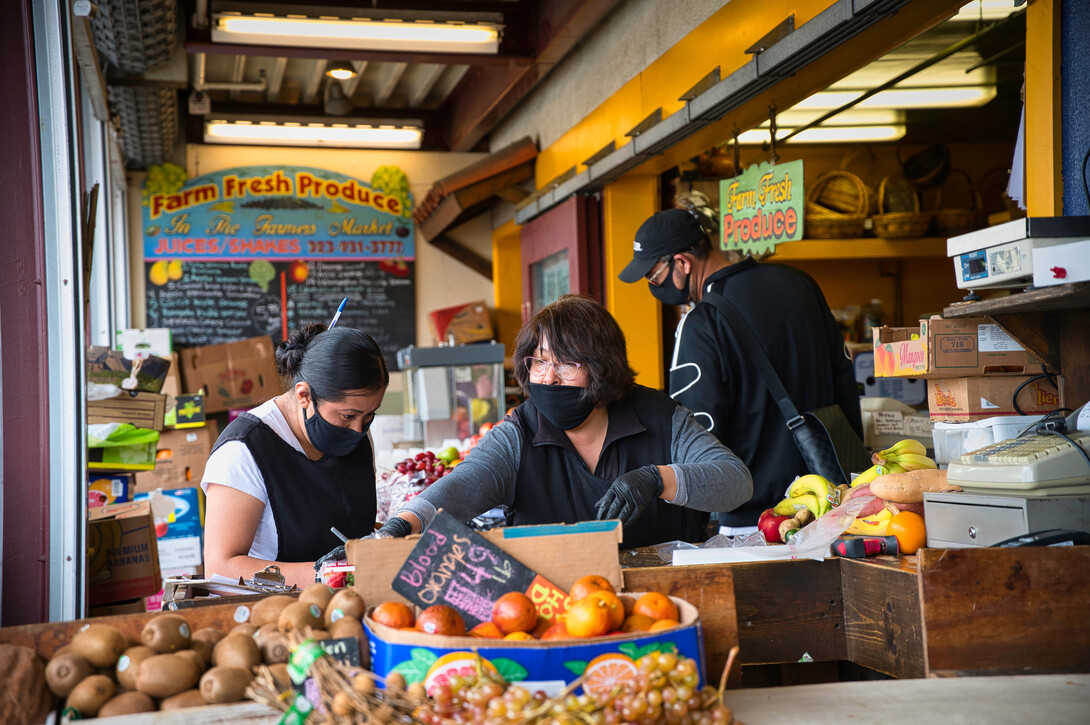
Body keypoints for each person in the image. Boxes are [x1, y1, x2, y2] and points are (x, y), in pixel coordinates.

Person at [374, 294, 752, 549]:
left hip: (667, 605)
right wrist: (398, 527)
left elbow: (736, 483)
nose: (548, 378)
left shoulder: (661, 418)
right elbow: (458, 489)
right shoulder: (519, 434)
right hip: (554, 612)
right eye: (538, 362)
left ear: (604, 366)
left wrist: (658, 479)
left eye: (566, 364)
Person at [619, 203, 862, 534]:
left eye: (653, 275)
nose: (652, 284)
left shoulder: (701, 322)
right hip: (831, 500)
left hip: (760, 519)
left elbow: (699, 432)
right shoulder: (800, 283)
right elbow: (845, 379)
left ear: (682, 263)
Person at [202, 324, 389, 587]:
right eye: (348, 416)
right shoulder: (243, 450)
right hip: (277, 614)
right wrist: (335, 576)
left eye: (369, 415)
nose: (358, 429)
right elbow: (221, 567)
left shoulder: (354, 433)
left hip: (355, 604)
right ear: (304, 395)